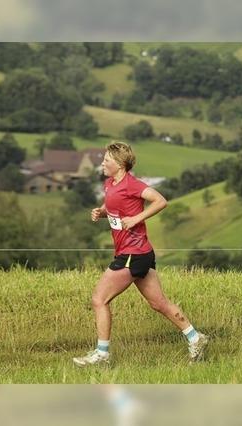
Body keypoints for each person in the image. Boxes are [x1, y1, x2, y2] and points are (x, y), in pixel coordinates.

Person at [73, 141, 208, 366]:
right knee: (159, 303)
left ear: (120, 164)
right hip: (140, 253)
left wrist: (137, 219)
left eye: (107, 159)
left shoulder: (132, 184)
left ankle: (102, 355)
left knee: (99, 299)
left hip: (132, 254)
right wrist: (102, 212)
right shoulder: (110, 184)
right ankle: (196, 338)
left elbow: (160, 201)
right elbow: (116, 208)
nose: (103, 162)